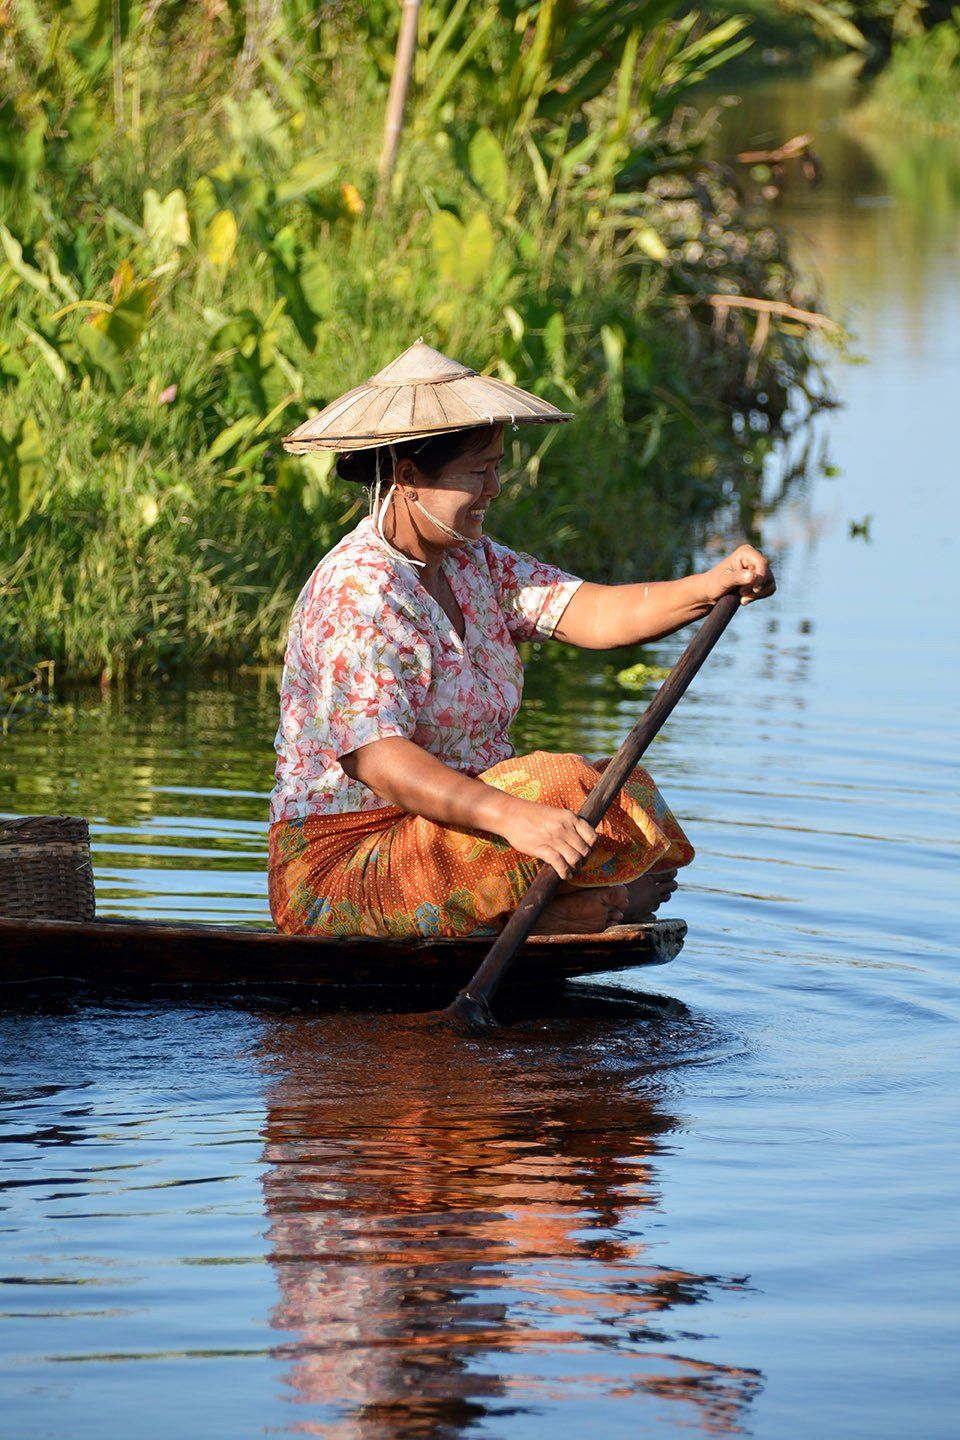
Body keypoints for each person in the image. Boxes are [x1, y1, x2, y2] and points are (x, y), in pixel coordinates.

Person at [268, 341, 774, 940]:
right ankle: (557, 906)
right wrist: (515, 817)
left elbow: (590, 612)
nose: (495, 489)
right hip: (344, 867)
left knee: (620, 783)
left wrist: (711, 585)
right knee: (557, 784)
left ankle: (557, 902)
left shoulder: (471, 561)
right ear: (408, 478)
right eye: (478, 473)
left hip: (448, 836)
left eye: (497, 468)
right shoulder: (361, 591)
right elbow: (374, 756)